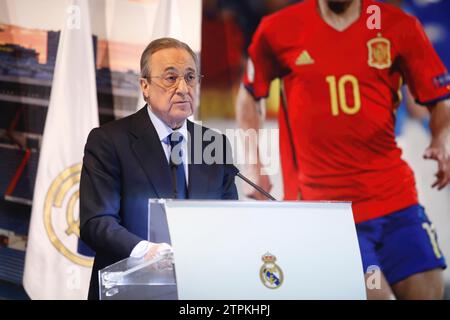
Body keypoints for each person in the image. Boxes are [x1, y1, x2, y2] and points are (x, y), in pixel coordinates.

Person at [236, 0, 450, 299]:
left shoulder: (399, 26)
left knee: (428, 293)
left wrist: (441, 140)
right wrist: (252, 164)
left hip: (396, 200)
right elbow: (249, 97)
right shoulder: (278, 29)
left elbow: (438, 99)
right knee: (374, 296)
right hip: (326, 212)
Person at [80, 37, 238, 300]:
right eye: (170, 78)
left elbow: (229, 220)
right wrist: (146, 252)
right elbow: (97, 222)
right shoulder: (109, 141)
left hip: (199, 292)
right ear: (144, 86)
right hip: (130, 290)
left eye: (190, 77)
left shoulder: (214, 145)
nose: (183, 88)